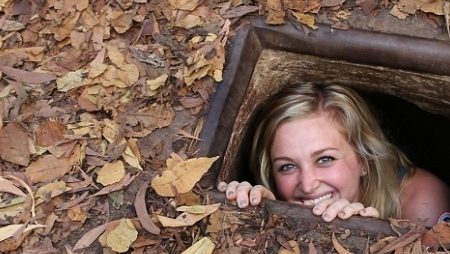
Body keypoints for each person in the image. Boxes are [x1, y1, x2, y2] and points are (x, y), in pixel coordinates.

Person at [217, 82, 449, 226]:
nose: (307, 185)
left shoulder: (422, 202)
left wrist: (369, 239)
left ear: (364, 159)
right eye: (287, 166)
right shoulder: (281, 195)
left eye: (325, 159)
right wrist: (257, 216)